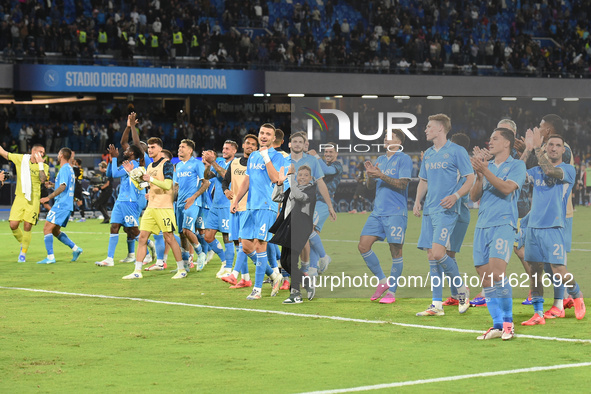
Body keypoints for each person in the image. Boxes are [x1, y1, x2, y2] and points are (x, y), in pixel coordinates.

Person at [521, 131, 585, 325]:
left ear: (563, 149)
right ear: (547, 148)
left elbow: (550, 171)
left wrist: (537, 150)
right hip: (533, 228)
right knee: (535, 272)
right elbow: (517, 176)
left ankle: (576, 294)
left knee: (559, 271)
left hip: (554, 227)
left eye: (558, 145)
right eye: (551, 145)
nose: (554, 148)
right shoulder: (535, 170)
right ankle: (538, 314)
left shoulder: (568, 170)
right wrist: (526, 150)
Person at [414, 114, 474, 316]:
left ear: (440, 128)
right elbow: (424, 180)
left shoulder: (457, 151)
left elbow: (470, 178)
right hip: (430, 209)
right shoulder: (429, 154)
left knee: (440, 253)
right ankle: (436, 304)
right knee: (431, 255)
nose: (426, 129)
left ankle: (461, 290)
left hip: (447, 210)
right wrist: (417, 202)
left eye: (429, 126)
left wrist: (456, 196)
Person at [470, 128, 526, 340]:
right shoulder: (488, 166)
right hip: (482, 224)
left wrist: (485, 171)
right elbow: (475, 196)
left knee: (496, 273)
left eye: (495, 139)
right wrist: (479, 175)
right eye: (490, 138)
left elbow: (506, 188)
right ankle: (496, 325)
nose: (490, 142)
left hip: (503, 223)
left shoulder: (517, 165)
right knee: (485, 278)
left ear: (507, 144)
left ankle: (509, 323)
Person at [230, 123, 284, 300]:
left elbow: (276, 179)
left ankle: (257, 290)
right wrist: (236, 200)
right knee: (245, 245)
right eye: (262, 133)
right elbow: (247, 180)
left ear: (273, 138)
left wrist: (266, 157)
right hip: (250, 206)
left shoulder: (277, 156)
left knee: (260, 245)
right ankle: (275, 275)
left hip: (266, 206)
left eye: (268, 134)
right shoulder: (253, 156)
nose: (264, 136)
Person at [358, 130, 413, 304]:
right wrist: (370, 175)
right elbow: (369, 187)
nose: (385, 138)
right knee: (363, 246)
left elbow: (403, 184)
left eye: (389, 136)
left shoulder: (403, 158)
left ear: (398, 141)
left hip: (396, 211)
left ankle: (392, 292)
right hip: (378, 211)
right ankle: (383, 281)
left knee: (395, 251)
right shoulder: (380, 160)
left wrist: (380, 174)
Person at [122, 137, 186, 279]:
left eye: (152, 147)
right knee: (143, 237)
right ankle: (137, 271)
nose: (149, 150)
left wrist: (150, 179)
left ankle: (181, 269)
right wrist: (132, 173)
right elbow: (142, 186)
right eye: (149, 148)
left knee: (169, 238)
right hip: (151, 208)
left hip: (164, 207)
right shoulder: (150, 167)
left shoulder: (167, 164)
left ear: (160, 149)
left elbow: (168, 185)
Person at [285, 131, 337, 276]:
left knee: (307, 232)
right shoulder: (284, 160)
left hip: (307, 204)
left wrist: (330, 206)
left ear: (304, 144)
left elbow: (321, 183)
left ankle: (311, 266)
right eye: (294, 141)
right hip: (289, 205)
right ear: (290, 144)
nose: (297, 144)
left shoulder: (312, 161)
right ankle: (311, 264)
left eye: (300, 142)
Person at [95, 143, 154, 267]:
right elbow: (110, 174)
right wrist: (111, 159)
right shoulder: (128, 163)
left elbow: (116, 174)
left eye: (127, 149)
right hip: (121, 199)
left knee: (132, 229)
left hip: (131, 201)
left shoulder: (136, 165)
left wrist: (115, 157)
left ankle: (148, 252)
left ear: (132, 153)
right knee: (114, 226)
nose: (125, 150)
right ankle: (109, 259)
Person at [270, 165, 317, 304]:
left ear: (311, 178)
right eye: (300, 175)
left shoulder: (311, 191)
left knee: (291, 260)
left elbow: (299, 197)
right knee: (285, 262)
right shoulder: (292, 189)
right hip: (288, 228)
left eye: (305, 175)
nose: (302, 177)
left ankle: (296, 294)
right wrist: (279, 184)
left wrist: (290, 176)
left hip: (300, 229)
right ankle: (306, 282)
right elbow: (276, 198)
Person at [165, 139, 210, 272]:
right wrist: (170, 201)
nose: (179, 149)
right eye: (179, 147)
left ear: (190, 150)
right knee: (181, 234)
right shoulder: (178, 166)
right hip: (179, 204)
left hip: (193, 202)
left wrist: (193, 198)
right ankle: (185, 264)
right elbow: (176, 186)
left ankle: (201, 253)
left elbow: (206, 183)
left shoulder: (197, 164)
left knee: (186, 230)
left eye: (183, 147)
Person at [221, 134, 259, 288]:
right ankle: (247, 278)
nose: (249, 146)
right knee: (239, 244)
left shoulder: (257, 164)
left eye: (253, 144)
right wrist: (226, 191)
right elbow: (225, 181)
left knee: (245, 244)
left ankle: (234, 274)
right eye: (247, 143)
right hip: (235, 208)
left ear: (256, 148)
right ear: (243, 145)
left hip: (249, 209)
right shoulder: (235, 163)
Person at [0, 143, 48, 263]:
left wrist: (41, 164)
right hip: (20, 197)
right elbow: (5, 154)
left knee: (27, 225)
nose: (42, 154)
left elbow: (43, 179)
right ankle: (24, 243)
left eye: (43, 153)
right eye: (40, 152)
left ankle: (23, 253)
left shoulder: (44, 166)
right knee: (13, 225)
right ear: (34, 152)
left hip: (34, 199)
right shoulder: (22, 159)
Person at [37, 148, 83, 264]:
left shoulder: (64, 169)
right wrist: (53, 185)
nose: (57, 156)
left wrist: (48, 197)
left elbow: (63, 187)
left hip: (61, 204)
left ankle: (50, 257)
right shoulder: (69, 169)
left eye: (58, 154)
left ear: (61, 155)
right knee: (55, 230)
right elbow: (64, 186)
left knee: (47, 228)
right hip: (66, 204)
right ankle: (76, 249)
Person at [442, 133, 472, 307]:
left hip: (458, 213)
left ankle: (461, 290)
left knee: (446, 254)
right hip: (453, 212)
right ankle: (455, 293)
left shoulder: (460, 164)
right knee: (445, 254)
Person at [203, 140, 238, 278]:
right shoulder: (220, 163)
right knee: (208, 236)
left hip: (226, 205)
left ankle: (229, 267)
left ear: (234, 151)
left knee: (227, 237)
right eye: (223, 148)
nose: (224, 151)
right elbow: (207, 177)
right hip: (215, 205)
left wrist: (213, 162)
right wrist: (207, 165)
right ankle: (224, 261)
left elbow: (227, 176)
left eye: (227, 149)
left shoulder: (235, 164)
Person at [307, 143, 343, 276]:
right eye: (326, 152)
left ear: (336, 153)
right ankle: (313, 268)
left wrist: (316, 156)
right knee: (313, 234)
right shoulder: (320, 163)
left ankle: (323, 257)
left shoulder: (337, 166)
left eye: (331, 152)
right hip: (313, 201)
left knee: (309, 230)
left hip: (323, 202)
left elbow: (326, 171)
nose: (327, 154)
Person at [72, 157, 87, 222]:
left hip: (76, 187)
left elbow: (75, 177)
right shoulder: (81, 169)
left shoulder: (76, 169)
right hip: (79, 186)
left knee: (75, 202)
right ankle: (82, 217)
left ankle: (72, 216)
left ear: (77, 163)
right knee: (78, 202)